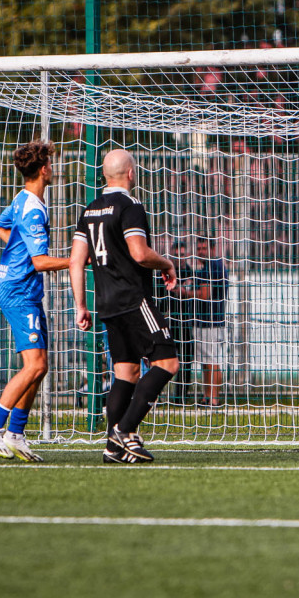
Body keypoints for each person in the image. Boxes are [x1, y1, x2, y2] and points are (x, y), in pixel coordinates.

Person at [69, 149, 180, 464]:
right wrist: (167, 262)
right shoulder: (130, 206)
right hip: (133, 299)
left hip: (106, 303)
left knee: (126, 372)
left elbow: (77, 262)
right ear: (131, 173)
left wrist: (81, 304)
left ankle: (112, 449)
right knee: (167, 363)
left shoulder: (89, 210)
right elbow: (140, 253)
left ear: (105, 175)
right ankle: (125, 430)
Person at [0, 140, 70, 462]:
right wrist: (78, 260)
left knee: (39, 368)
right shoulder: (32, 210)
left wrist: (16, 252)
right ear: (44, 170)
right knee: (36, 365)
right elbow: (41, 262)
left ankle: (15, 434)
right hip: (18, 291)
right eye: (51, 165)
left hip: (24, 289)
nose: (53, 170)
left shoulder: (23, 199)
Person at [158, 239, 197, 405]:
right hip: (168, 320)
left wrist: (182, 291)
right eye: (177, 255)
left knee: (187, 357)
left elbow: (193, 293)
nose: (180, 257)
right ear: (172, 255)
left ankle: (180, 396)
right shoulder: (165, 272)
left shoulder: (189, 272)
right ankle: (156, 394)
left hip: (185, 320)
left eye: (183, 254)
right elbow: (159, 297)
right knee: (161, 358)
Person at [193, 236, 229, 406]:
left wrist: (184, 292)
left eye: (204, 248)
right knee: (206, 361)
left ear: (212, 249)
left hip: (211, 322)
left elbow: (205, 295)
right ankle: (207, 396)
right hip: (206, 322)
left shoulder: (213, 267)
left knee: (212, 361)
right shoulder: (208, 267)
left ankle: (213, 398)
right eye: (199, 248)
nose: (201, 252)